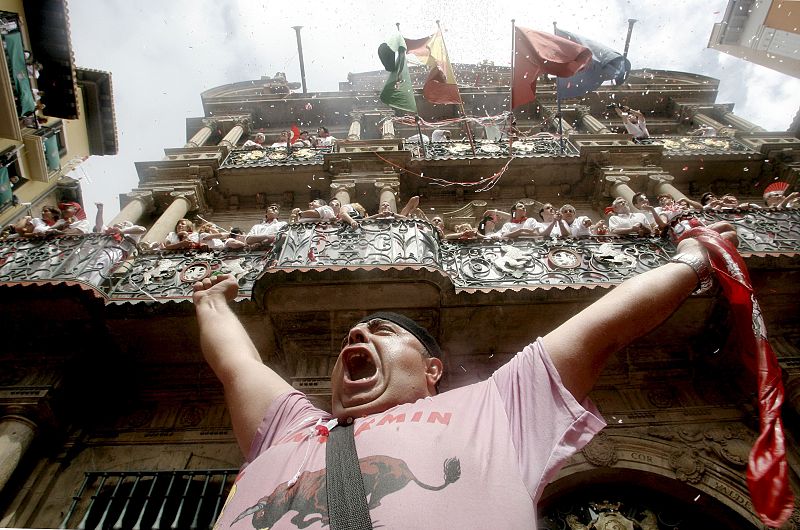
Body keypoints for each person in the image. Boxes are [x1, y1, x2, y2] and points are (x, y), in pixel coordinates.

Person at [192, 223, 738, 529]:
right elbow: (236, 363)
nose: (355, 337)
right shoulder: (290, 426)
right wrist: (212, 301)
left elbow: (603, 328)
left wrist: (693, 260)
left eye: (381, 329)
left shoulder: (493, 407)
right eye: (351, 334)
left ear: (433, 369)